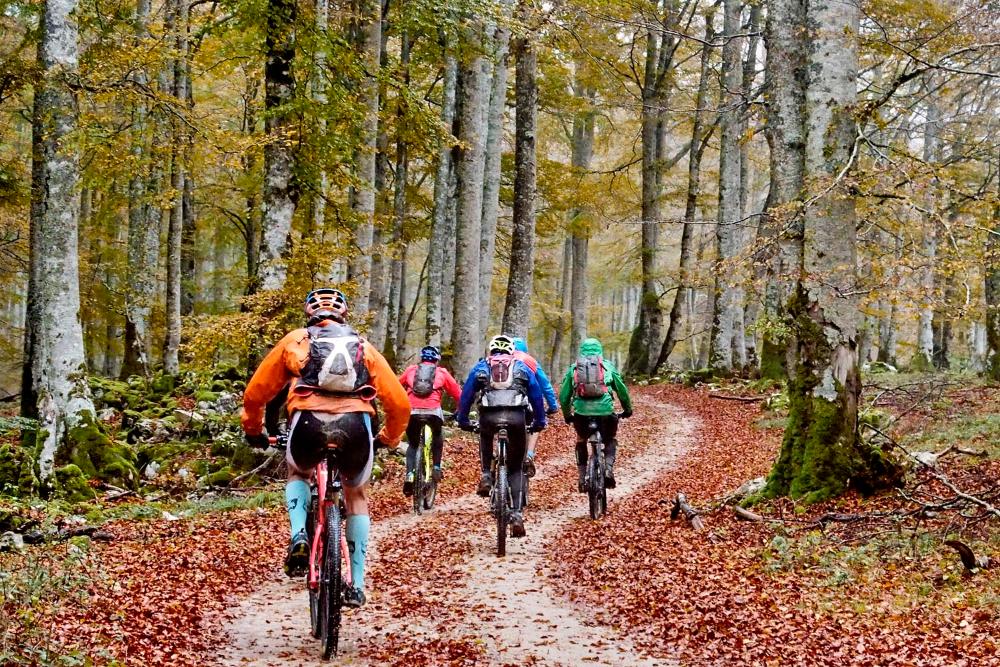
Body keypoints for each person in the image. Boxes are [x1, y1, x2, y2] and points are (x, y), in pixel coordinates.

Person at [241, 288, 410, 608]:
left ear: (309, 312)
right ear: (343, 314)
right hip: (355, 427)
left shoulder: (296, 340)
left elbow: (255, 394)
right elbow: (399, 403)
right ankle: (357, 584)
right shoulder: (363, 346)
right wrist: (389, 438)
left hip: (307, 424)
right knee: (356, 495)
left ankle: (298, 536)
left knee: (298, 472)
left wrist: (254, 431)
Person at [455, 334, 547, 537]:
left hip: (489, 417)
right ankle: (516, 514)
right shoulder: (522, 368)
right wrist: (540, 421)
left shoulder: (482, 367)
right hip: (516, 419)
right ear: (511, 352)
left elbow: (466, 395)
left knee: (485, 435)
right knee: (515, 467)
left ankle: (486, 475)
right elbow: (537, 396)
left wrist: (462, 419)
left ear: (491, 350)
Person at [559, 337, 632, 492]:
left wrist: (567, 415)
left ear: (582, 351)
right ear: (600, 350)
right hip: (605, 412)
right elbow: (622, 391)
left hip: (581, 414)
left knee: (581, 440)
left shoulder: (574, 368)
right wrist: (627, 409)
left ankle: (582, 476)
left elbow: (564, 396)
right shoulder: (607, 366)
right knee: (610, 439)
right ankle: (608, 469)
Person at [398, 345, 462, 495]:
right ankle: (437, 467)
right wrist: (459, 410)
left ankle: (409, 475)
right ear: (437, 360)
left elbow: (396, 386)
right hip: (433, 412)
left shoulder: (411, 370)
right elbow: (459, 394)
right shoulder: (442, 373)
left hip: (412, 411)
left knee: (413, 444)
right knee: (438, 435)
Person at [510, 337, 559, 478]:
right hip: (525, 405)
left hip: (498, 405)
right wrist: (553, 407)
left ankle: (497, 455)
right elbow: (545, 386)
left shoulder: (499, 360)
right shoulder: (529, 361)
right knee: (535, 425)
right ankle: (529, 455)